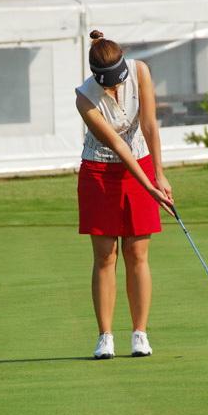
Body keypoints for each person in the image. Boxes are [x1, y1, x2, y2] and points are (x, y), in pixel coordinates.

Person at [75, 30, 174, 360]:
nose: (116, 88)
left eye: (119, 80)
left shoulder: (140, 71)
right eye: (110, 84)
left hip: (143, 163)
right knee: (105, 256)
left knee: (137, 253)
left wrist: (158, 174)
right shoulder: (85, 98)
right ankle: (105, 337)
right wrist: (148, 185)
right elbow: (116, 144)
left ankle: (140, 333)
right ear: (97, 78)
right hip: (100, 172)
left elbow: (148, 125)